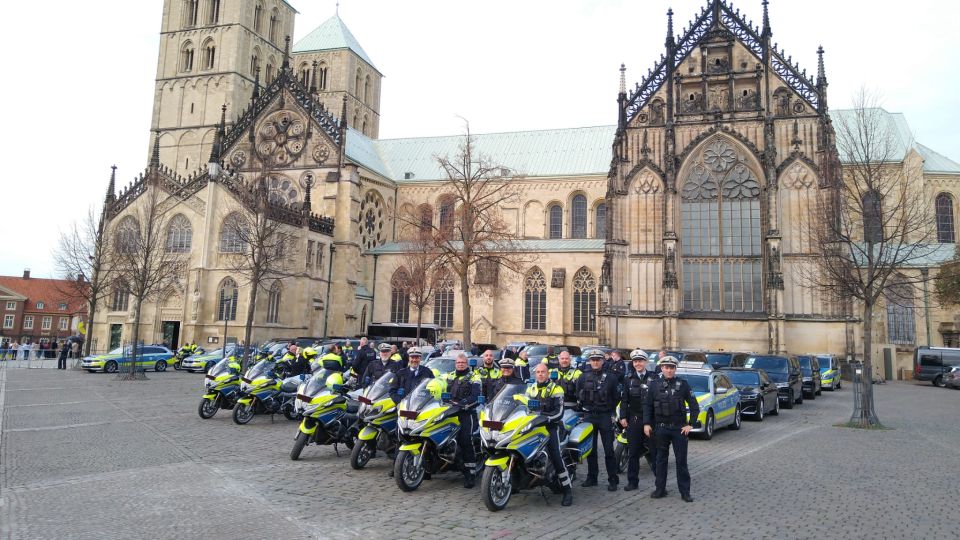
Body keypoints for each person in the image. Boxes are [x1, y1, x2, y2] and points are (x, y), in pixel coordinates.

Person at [643, 355, 699, 502]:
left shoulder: (683, 385)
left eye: (671, 368)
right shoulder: (654, 385)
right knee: (660, 460)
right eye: (666, 367)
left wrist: (691, 424)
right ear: (662, 368)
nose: (669, 370)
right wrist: (647, 423)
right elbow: (647, 406)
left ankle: (685, 492)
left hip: (678, 429)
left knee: (681, 461)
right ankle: (660, 489)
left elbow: (694, 405)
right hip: (660, 429)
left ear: (675, 369)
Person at [519, 363, 572, 506]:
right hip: (534, 427)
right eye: (538, 372)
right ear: (535, 374)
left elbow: (559, 413)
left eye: (543, 372)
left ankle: (567, 490)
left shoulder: (556, 389)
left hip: (551, 427)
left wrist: (547, 418)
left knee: (556, 456)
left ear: (548, 373)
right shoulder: (531, 388)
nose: (540, 374)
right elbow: (523, 408)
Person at [577, 349, 620, 491]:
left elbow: (616, 397)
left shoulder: (611, 378)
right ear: (590, 361)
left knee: (609, 450)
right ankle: (592, 477)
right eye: (593, 359)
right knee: (591, 450)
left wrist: (608, 410)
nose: (595, 362)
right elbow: (579, 394)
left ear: (602, 361)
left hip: (604, 416)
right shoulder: (583, 377)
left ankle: (613, 480)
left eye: (598, 359)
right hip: (589, 416)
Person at [619, 349, 656, 491]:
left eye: (640, 361)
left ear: (645, 362)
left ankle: (660, 484)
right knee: (633, 452)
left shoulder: (654, 378)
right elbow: (624, 400)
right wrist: (623, 416)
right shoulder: (628, 379)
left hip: (650, 420)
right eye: (635, 361)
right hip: (634, 419)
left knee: (654, 452)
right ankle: (632, 482)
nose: (638, 363)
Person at [443, 352, 482, 488]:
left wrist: (464, 403)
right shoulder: (449, 375)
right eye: (458, 363)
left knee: (466, 440)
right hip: (451, 411)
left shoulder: (474, 376)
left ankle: (470, 474)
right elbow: (442, 390)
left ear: (467, 364)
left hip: (467, 412)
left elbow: (476, 396)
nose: (460, 365)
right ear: (455, 364)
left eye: (463, 363)